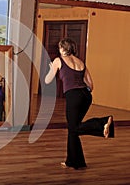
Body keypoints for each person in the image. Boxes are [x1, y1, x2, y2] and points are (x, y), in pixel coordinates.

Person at [45, 37, 114, 170]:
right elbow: (91, 85)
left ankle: (103, 123)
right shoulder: (81, 62)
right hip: (86, 96)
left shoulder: (58, 60)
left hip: (74, 96)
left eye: (60, 47)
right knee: (74, 129)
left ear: (63, 48)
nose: (58, 49)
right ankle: (75, 161)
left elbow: (48, 80)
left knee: (73, 128)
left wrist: (51, 68)